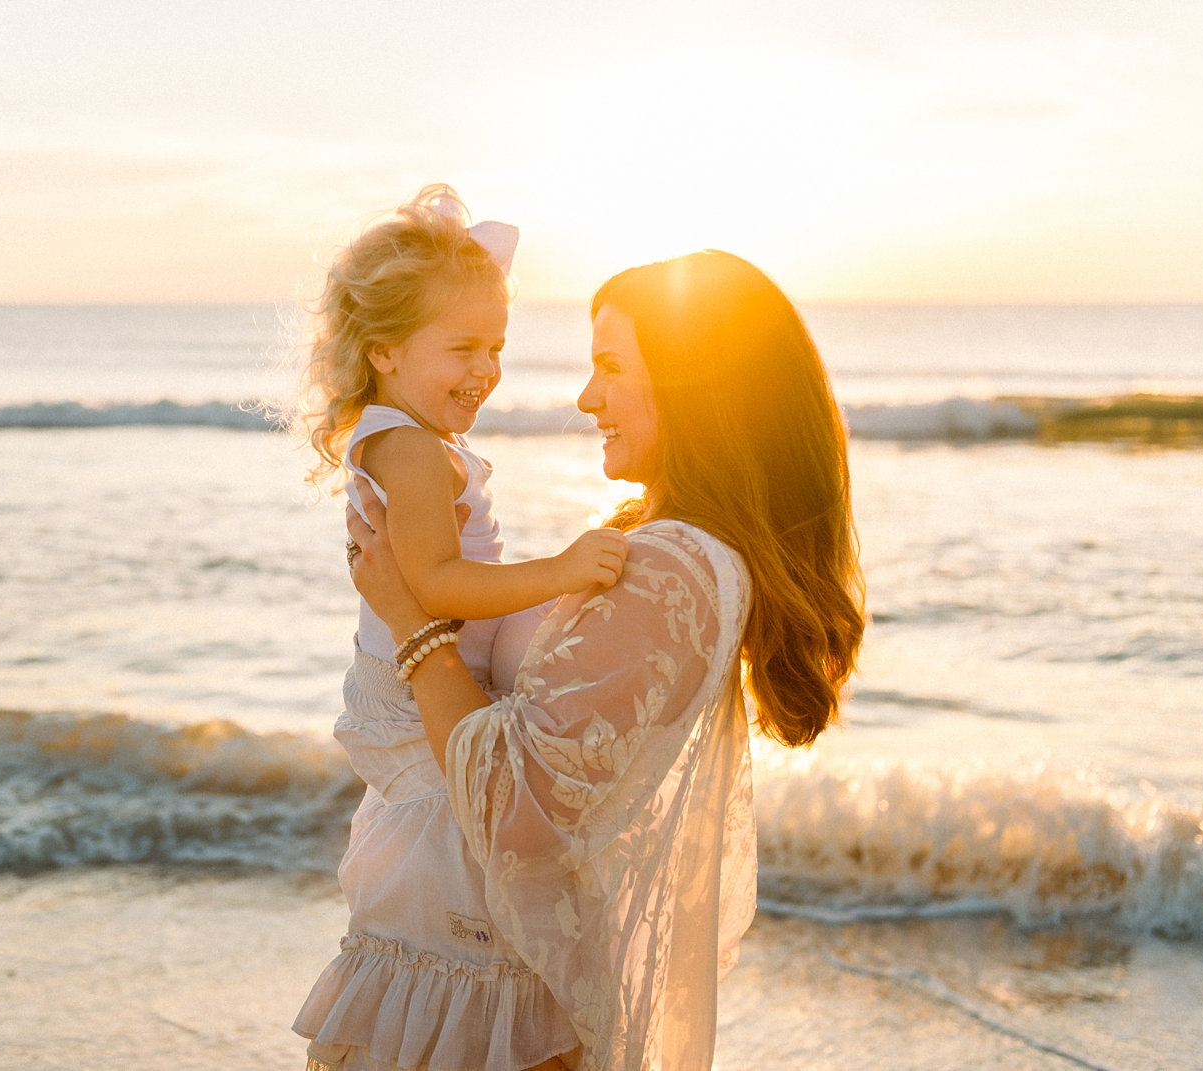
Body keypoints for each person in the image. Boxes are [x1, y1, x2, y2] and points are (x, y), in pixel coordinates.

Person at [341, 250, 866, 1071]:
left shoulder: (670, 571)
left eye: (612, 367)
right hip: (458, 967)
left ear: (697, 385)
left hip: (486, 1006)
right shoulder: (662, 548)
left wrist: (410, 622)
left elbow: (515, 809)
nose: (586, 398)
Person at [293, 186, 629, 1071]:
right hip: (414, 698)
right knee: (467, 907)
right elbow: (437, 582)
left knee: (477, 896)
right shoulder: (406, 449)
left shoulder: (410, 435)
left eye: (498, 348)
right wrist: (561, 571)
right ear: (387, 350)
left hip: (423, 681)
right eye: (463, 348)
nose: (486, 370)